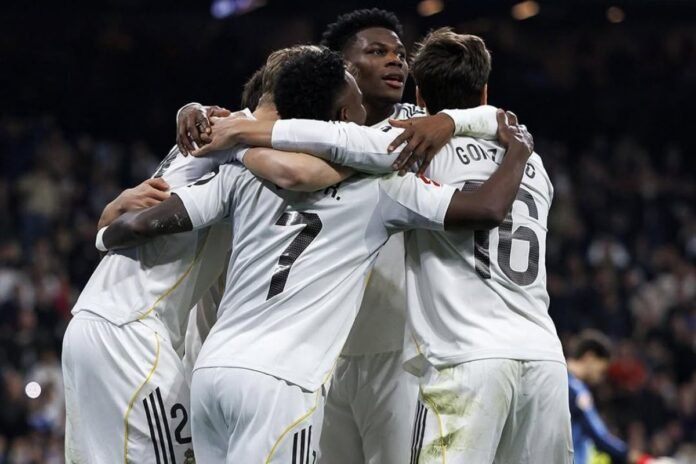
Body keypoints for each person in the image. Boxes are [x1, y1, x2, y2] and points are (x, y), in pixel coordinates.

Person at [98, 48, 535, 463]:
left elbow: (135, 226)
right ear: (342, 118)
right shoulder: (384, 187)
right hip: (282, 382)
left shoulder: (241, 172)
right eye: (359, 100)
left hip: (213, 374)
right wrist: (517, 152)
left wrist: (105, 230)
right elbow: (484, 210)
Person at [196, 29, 569, 463]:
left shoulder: (415, 148)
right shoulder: (529, 159)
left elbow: (333, 141)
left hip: (465, 358)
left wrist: (239, 131)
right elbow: (496, 124)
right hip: (544, 357)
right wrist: (477, 131)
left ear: (419, 96)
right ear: (484, 90)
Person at [568, 331, 656, 464]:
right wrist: (638, 459)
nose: (601, 376)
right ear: (589, 357)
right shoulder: (575, 389)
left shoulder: (556, 378)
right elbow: (598, 434)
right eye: (601, 370)